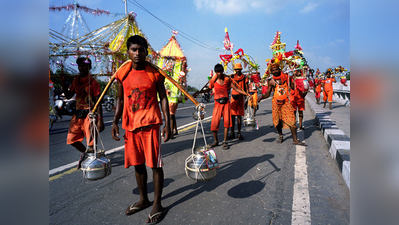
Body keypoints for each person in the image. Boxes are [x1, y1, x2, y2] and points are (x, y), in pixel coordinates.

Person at [111, 35, 171, 224]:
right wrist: (114, 121)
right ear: (128, 52)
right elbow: (120, 99)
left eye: (141, 50)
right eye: (134, 50)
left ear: (146, 51)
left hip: (151, 125)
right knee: (138, 165)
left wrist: (167, 123)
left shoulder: (155, 73)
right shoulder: (123, 73)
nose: (137, 53)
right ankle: (144, 199)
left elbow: (163, 98)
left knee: (155, 165)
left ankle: (157, 204)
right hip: (131, 127)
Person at [60, 57, 104, 169]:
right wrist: (63, 83)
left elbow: (98, 102)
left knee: (91, 143)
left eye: (84, 66)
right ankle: (86, 153)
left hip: (90, 115)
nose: (81, 68)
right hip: (78, 115)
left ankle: (91, 161)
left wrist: (100, 120)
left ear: (89, 67)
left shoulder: (94, 83)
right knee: (71, 140)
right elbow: (69, 95)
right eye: (79, 66)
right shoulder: (76, 81)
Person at [258, 63, 307, 146]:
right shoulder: (271, 81)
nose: (275, 71)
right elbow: (267, 94)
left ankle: (295, 139)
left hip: (286, 102)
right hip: (276, 103)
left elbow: (292, 87)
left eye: (276, 69)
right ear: (271, 72)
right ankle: (280, 135)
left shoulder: (286, 77)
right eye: (273, 70)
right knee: (277, 121)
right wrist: (261, 98)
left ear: (279, 69)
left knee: (292, 120)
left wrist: (293, 79)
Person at [209, 64, 250, 150]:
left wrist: (246, 94)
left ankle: (225, 141)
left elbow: (236, 88)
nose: (219, 73)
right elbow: (209, 88)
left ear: (223, 71)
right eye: (217, 72)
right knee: (214, 124)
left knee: (227, 123)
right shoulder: (214, 80)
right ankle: (216, 141)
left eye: (220, 71)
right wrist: (198, 93)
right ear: (215, 72)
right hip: (217, 104)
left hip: (226, 103)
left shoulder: (227, 79)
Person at [228, 63, 248, 140]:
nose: (237, 71)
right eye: (236, 69)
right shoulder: (232, 77)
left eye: (239, 69)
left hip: (241, 97)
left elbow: (246, 89)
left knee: (239, 116)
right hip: (233, 97)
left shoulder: (244, 77)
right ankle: (232, 132)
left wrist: (246, 99)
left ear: (241, 70)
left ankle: (239, 133)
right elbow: (229, 87)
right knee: (232, 116)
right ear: (235, 70)